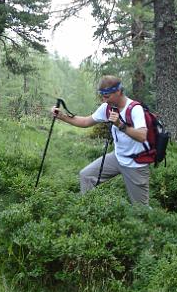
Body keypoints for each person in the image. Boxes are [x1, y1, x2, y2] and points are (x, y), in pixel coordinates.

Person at [51, 76, 150, 205]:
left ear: (118, 91)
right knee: (86, 176)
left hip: (136, 164)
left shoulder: (134, 109)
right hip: (118, 157)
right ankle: (89, 211)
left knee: (141, 209)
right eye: (102, 96)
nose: (104, 99)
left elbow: (142, 136)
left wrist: (120, 124)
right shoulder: (107, 107)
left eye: (107, 96)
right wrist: (62, 116)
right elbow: (86, 121)